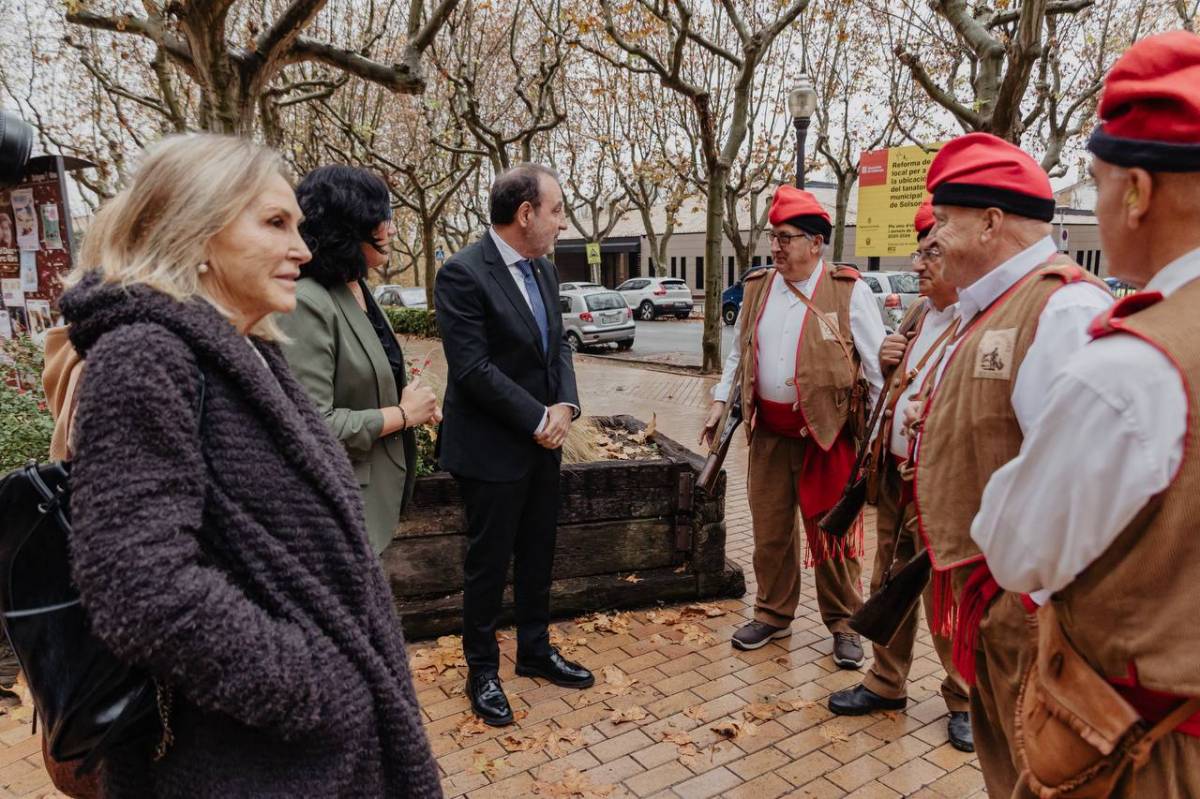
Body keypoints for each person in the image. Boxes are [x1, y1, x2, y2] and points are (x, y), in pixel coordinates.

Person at [57, 133, 441, 797]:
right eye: (275, 224)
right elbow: (138, 586)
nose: (302, 247)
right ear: (198, 232)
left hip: (306, 753)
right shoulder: (145, 357)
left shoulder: (248, 350)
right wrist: (314, 686)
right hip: (253, 761)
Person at [970, 31, 1200, 797]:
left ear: (1136, 190)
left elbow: (1016, 546)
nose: (1095, 206)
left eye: (1098, 183)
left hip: (1141, 749)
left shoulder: (1133, 367)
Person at [903, 132, 1112, 797]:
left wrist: (1033, 614)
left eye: (944, 220)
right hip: (996, 606)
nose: (932, 237)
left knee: (1037, 776)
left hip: (1029, 617)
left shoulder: (1064, 307)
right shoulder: (995, 303)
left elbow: (1085, 494)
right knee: (1004, 773)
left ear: (992, 222)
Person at [434, 164, 591, 727]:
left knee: (537, 554)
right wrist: (537, 417)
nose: (561, 223)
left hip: (543, 444)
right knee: (487, 564)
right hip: (491, 449)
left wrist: (566, 407)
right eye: (556, 211)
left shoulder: (544, 272)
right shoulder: (461, 273)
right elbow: (472, 369)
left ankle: (534, 652)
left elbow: (560, 351)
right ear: (525, 214)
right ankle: (482, 671)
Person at [703, 185, 885, 667]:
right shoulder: (759, 287)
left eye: (786, 237)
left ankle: (845, 622)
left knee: (833, 537)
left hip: (826, 436)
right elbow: (740, 354)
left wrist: (877, 440)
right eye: (773, 236)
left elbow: (877, 368)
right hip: (769, 434)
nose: (776, 246)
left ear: (816, 243)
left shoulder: (849, 291)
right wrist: (722, 402)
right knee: (770, 532)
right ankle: (773, 612)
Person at [826, 199, 972, 752]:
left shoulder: (977, 320)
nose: (917, 264)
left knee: (947, 601)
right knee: (886, 582)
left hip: (945, 488)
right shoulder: (918, 315)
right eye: (919, 251)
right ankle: (887, 682)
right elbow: (901, 386)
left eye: (930, 251)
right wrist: (890, 363)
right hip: (895, 478)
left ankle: (963, 698)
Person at [277, 165, 439, 555]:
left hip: (371, 503)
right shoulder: (306, 301)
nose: (392, 229)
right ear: (350, 226)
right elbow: (312, 426)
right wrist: (403, 415)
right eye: (383, 217)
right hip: (335, 512)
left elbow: (361, 377)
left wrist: (409, 396)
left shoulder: (357, 287)